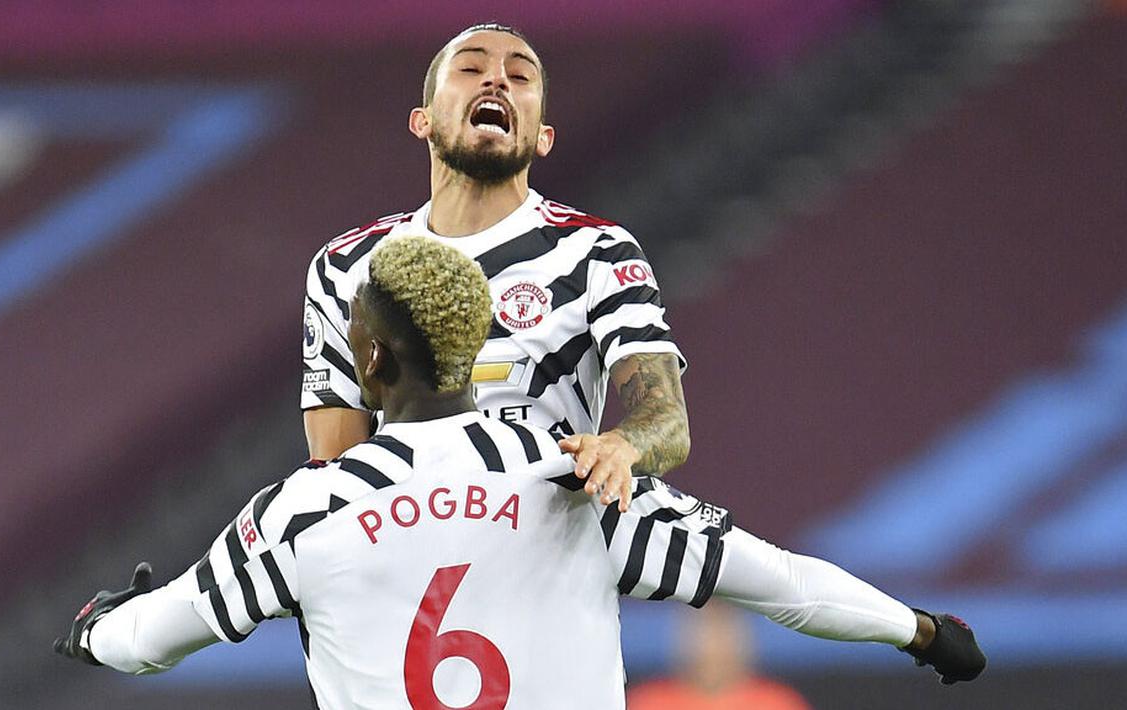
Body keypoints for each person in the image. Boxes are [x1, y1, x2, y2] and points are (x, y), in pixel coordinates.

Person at [55, 238, 985, 708]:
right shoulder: (568, 478)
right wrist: (919, 631)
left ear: (371, 363)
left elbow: (148, 641)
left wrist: (95, 627)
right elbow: (775, 582)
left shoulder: (308, 510)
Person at [302, 23, 689, 512]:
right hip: (408, 552)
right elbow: (335, 472)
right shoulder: (347, 265)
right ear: (422, 120)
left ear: (543, 137)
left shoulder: (597, 252)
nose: (497, 80)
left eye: (520, 76)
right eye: (470, 67)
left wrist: (621, 446)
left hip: (545, 550)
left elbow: (667, 419)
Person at [627, 601, 812, 710]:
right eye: (703, 628)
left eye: (722, 629)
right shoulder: (647, 702)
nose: (712, 644)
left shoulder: (778, 703)